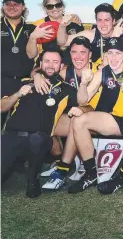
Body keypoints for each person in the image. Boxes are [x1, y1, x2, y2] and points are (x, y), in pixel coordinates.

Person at [67, 37, 123, 194]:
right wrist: (84, 83)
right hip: (114, 120)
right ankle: (91, 173)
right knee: (78, 121)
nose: (113, 58)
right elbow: (82, 100)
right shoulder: (102, 73)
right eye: (110, 53)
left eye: (118, 53)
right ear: (105, 54)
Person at [1, 47, 80, 198]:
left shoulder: (67, 90)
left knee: (36, 139)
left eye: (55, 62)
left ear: (61, 66)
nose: (50, 65)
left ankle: (33, 178)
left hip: (39, 139)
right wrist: (18, 94)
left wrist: (78, 110)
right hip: (11, 137)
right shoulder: (23, 83)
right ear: (40, 64)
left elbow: (82, 106)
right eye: (47, 61)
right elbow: (2, 107)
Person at [36, 36, 98, 190]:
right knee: (44, 120)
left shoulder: (99, 69)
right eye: (74, 52)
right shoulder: (65, 72)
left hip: (97, 116)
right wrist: (36, 75)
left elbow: (92, 107)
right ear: (69, 54)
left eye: (83, 52)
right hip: (75, 116)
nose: (78, 56)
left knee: (77, 119)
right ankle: (62, 160)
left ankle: (62, 170)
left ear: (90, 54)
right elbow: (44, 69)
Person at [57, 3, 123, 68]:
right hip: (95, 74)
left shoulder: (121, 33)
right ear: (96, 21)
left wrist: (116, 38)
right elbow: (63, 42)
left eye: (107, 20)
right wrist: (62, 26)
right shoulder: (91, 35)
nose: (103, 24)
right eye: (99, 20)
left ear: (113, 21)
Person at [27, 0, 83, 66]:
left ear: (63, 6)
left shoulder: (74, 22)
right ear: (45, 9)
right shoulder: (38, 25)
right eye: (50, 6)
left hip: (71, 68)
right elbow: (31, 55)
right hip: (47, 69)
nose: (54, 9)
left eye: (58, 5)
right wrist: (33, 37)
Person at [1, 0, 36, 100]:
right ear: (3, 6)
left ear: (23, 7)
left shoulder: (32, 29)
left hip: (25, 83)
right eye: (8, 4)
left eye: (16, 4)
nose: (12, 7)